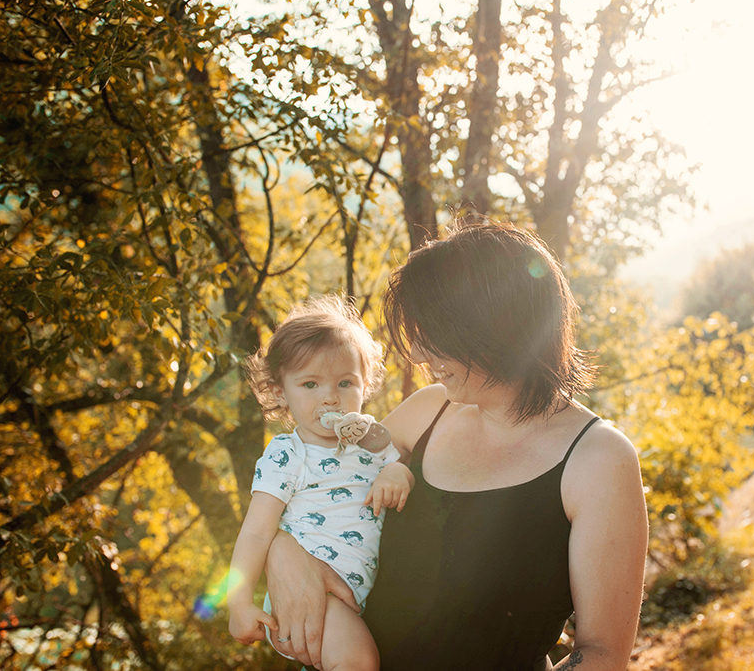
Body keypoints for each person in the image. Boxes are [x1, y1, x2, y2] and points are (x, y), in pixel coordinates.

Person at [265, 221, 648, 670]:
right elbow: (311, 485)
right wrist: (280, 552)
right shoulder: (426, 411)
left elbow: (602, 654)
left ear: (491, 324)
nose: (418, 355)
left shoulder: (599, 460)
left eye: (432, 333)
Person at [227, 295, 415, 671]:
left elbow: (402, 467)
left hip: (354, 597)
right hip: (307, 597)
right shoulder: (287, 454)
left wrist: (397, 473)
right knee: (359, 661)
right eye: (310, 384)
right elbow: (256, 533)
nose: (330, 398)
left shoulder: (371, 442)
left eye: (345, 383)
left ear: (365, 386)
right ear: (280, 391)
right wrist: (239, 604)